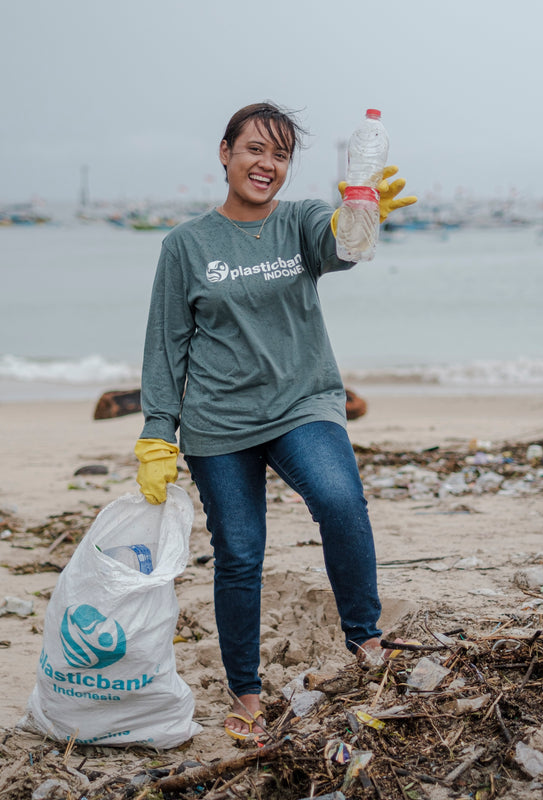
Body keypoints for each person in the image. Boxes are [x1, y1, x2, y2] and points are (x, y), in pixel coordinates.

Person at [134, 101, 415, 742]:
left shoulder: (301, 222)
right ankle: (246, 694)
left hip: (301, 405)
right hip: (218, 423)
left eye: (281, 155)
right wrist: (158, 429)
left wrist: (362, 214)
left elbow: (346, 247)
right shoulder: (186, 245)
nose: (267, 165)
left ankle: (367, 644)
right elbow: (166, 342)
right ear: (226, 151)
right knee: (238, 554)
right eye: (255, 149)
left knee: (341, 500)